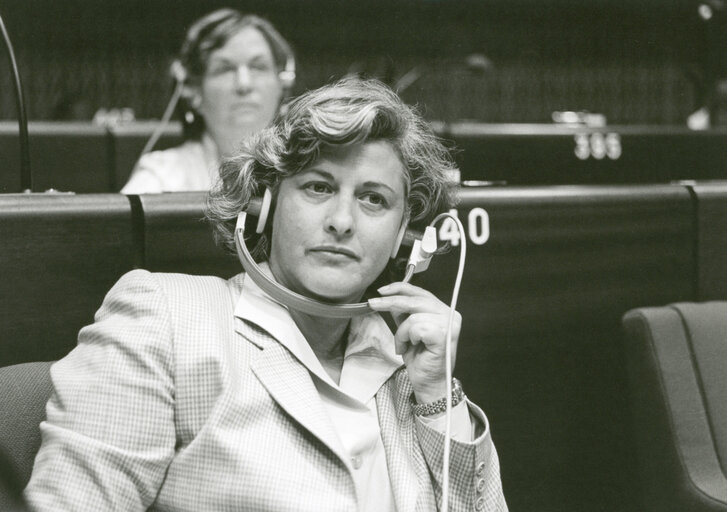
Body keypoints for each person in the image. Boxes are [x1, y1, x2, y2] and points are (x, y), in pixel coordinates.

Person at [25, 77, 507, 511]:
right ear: (266, 205)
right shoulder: (164, 317)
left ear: (405, 232)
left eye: (373, 198)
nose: (342, 221)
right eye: (318, 187)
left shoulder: (410, 366)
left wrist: (439, 395)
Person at [121, 8, 294, 194]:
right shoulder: (161, 179)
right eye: (225, 69)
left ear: (282, 84)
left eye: (258, 67)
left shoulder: (303, 170)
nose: (244, 84)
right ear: (194, 92)